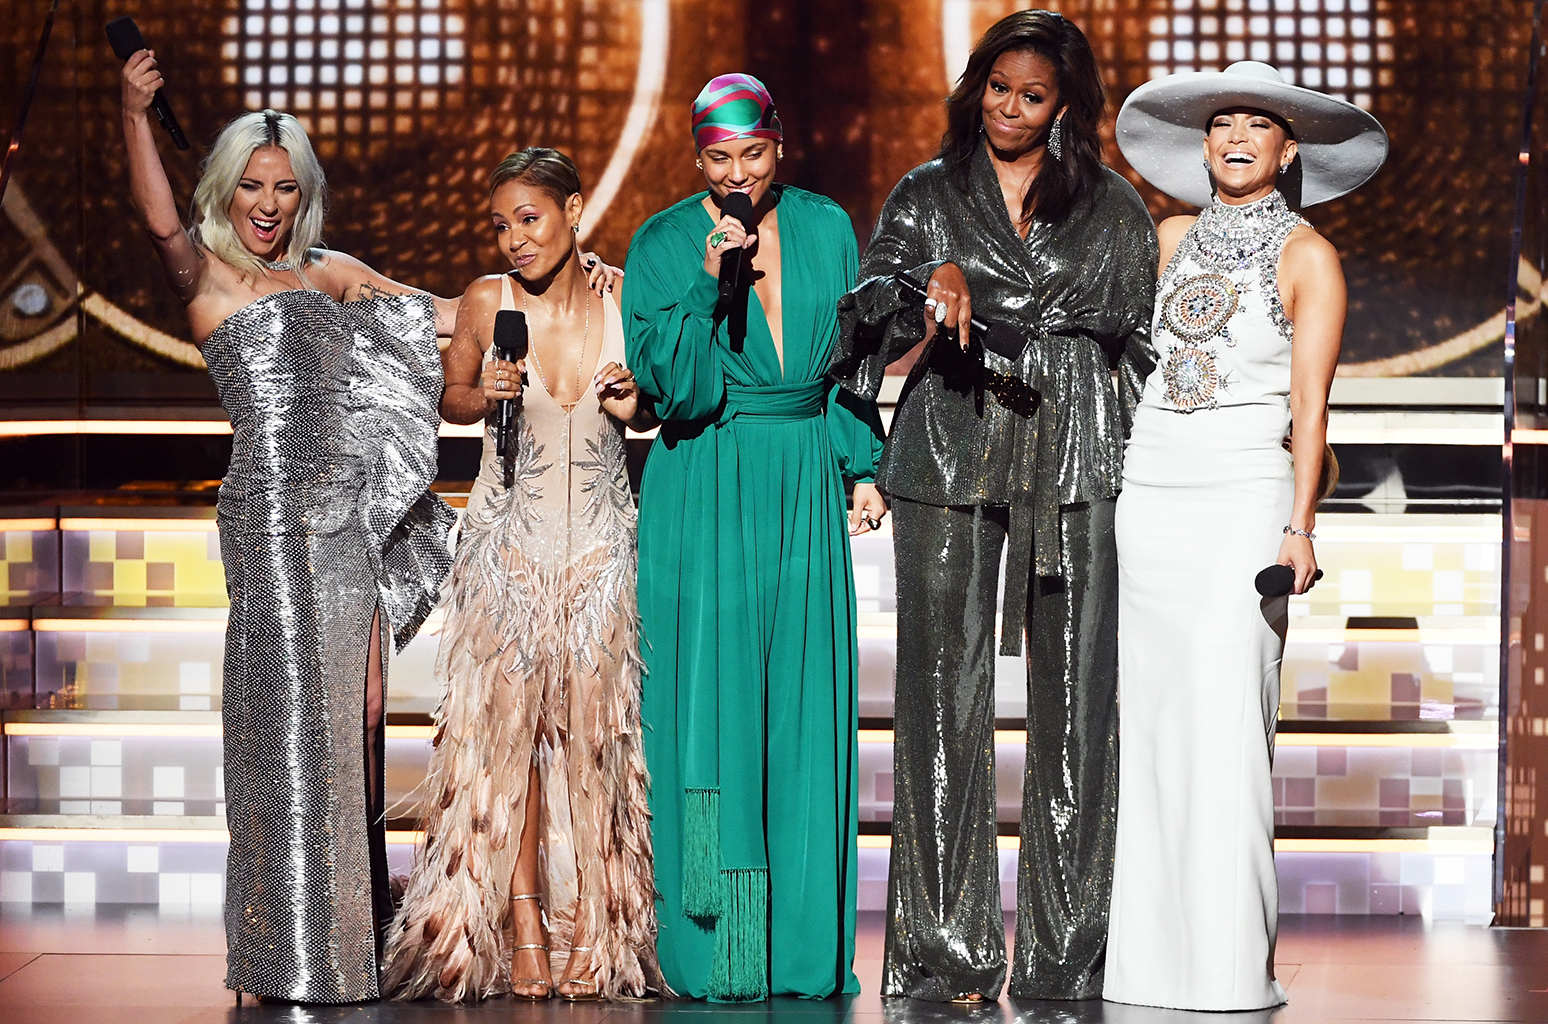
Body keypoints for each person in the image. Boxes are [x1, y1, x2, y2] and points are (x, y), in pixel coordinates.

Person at [830, 10, 1157, 1003]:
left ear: (1065, 107)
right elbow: (867, 314)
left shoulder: (1115, 208)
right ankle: (945, 954)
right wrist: (920, 282)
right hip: (950, 448)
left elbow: (1145, 349)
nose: (1010, 108)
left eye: (1033, 95)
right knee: (941, 701)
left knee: (1079, 702)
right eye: (998, 88)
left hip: (1078, 454)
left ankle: (1071, 954)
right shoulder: (928, 193)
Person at [118, 51, 459, 1002]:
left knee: (359, 713)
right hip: (271, 520)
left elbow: (440, 315)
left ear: (303, 195)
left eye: (284, 188)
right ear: (224, 191)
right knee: (289, 719)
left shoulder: (328, 272)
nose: (267, 205)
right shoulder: (208, 276)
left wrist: (565, 289)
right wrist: (133, 114)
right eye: (251, 187)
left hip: (350, 519)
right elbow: (158, 220)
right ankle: (294, 952)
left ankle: (354, 934)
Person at [1103, 62, 1386, 1011]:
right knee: (1152, 728)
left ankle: (1226, 971)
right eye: (1221, 122)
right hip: (1150, 491)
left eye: (1256, 125)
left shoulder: (1309, 258)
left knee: (1226, 722)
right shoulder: (1166, 237)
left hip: (1241, 499)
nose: (1235, 137)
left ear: (1288, 148)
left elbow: (1311, 410)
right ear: (1202, 144)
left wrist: (1300, 527)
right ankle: (1147, 970)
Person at [623, 73, 887, 1001]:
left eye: (754, 154)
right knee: (715, 707)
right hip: (707, 478)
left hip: (803, 476)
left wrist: (860, 466)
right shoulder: (664, 242)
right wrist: (709, 282)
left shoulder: (826, 225)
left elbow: (851, 359)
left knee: (804, 709)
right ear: (698, 160)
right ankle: (719, 950)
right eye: (719, 159)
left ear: (781, 146)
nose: (738, 175)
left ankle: (802, 953)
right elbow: (675, 390)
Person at [381, 148, 658, 1004]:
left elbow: (657, 405)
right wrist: (485, 392)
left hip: (604, 551)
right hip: (507, 550)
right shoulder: (486, 301)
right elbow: (449, 397)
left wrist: (636, 402)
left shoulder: (625, 297)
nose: (514, 239)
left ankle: (600, 927)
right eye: (501, 225)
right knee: (513, 743)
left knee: (592, 738)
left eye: (529, 219)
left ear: (573, 211)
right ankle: (527, 925)